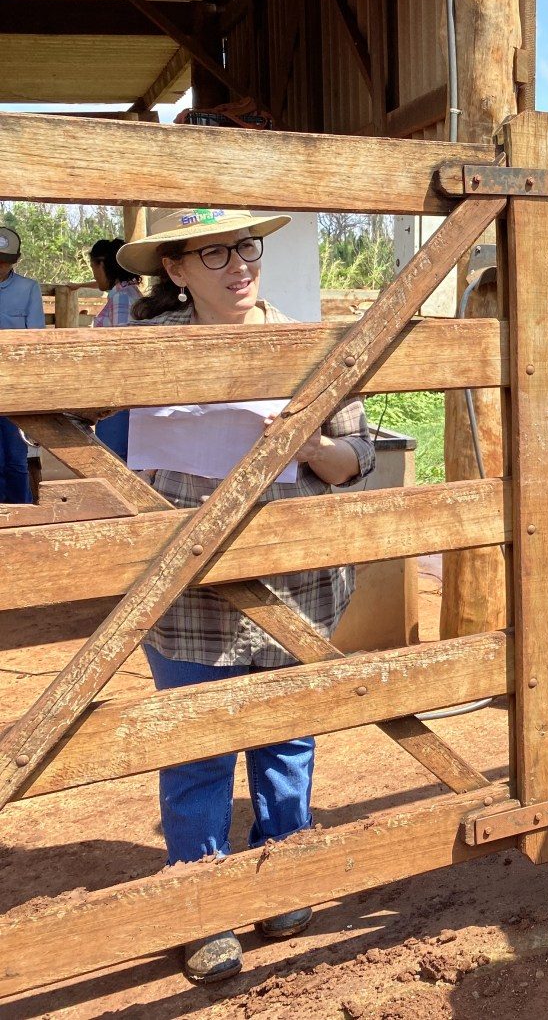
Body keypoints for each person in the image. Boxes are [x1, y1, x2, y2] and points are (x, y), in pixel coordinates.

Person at [116, 207, 376, 985]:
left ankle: (283, 869)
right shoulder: (143, 352)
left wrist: (316, 446)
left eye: (246, 247)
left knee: (287, 735)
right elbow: (83, 431)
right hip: (189, 587)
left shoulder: (310, 339)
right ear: (177, 269)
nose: (239, 264)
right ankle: (202, 903)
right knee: (197, 743)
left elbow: (359, 450)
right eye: (215, 252)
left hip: (293, 575)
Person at [0, 225, 43, 503]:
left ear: (15, 260)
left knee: (15, 459)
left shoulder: (28, 289)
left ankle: (22, 515)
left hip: (14, 386)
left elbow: (36, 340)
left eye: (4, 260)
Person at [90, 236, 141, 459]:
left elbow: (121, 345)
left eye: (93, 267)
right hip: (124, 389)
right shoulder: (130, 293)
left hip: (117, 390)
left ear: (102, 264)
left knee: (112, 455)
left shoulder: (121, 297)